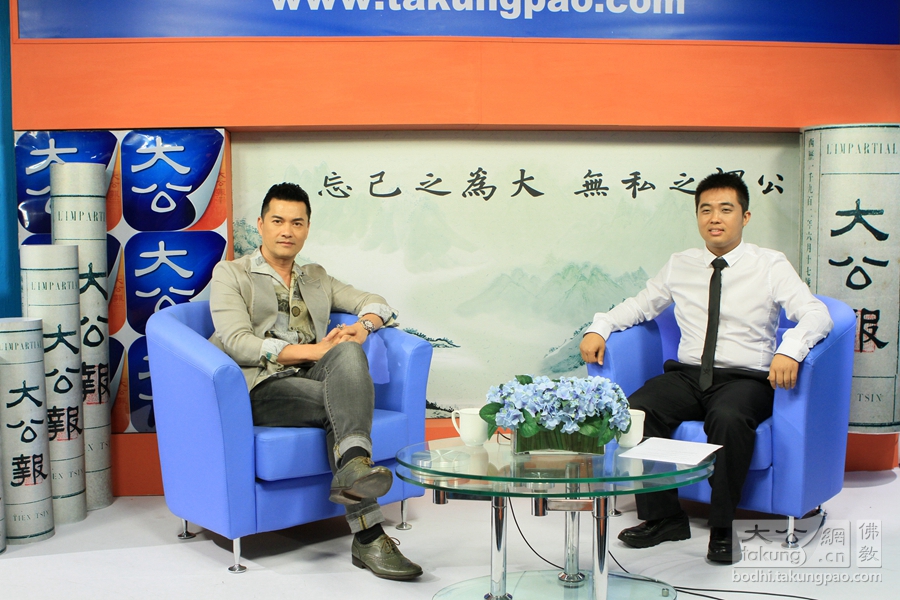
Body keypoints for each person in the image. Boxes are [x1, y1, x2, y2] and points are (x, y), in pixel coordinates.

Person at [579, 172, 833, 564]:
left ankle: (722, 527)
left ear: (745, 217)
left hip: (745, 378)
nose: (715, 218)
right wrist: (600, 327)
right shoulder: (680, 264)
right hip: (688, 374)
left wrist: (791, 349)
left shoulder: (770, 264)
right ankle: (664, 518)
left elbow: (816, 314)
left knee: (728, 418)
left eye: (726, 209)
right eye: (706, 210)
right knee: (637, 411)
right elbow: (641, 305)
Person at [209, 182, 422, 580]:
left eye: (297, 223)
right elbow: (237, 342)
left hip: (310, 377)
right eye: (277, 221)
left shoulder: (316, 277)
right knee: (339, 401)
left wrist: (363, 327)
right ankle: (370, 537)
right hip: (260, 386)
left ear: (307, 229)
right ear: (261, 225)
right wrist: (313, 351)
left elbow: (377, 302)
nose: (286, 231)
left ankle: (354, 466)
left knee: (350, 350)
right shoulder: (231, 274)